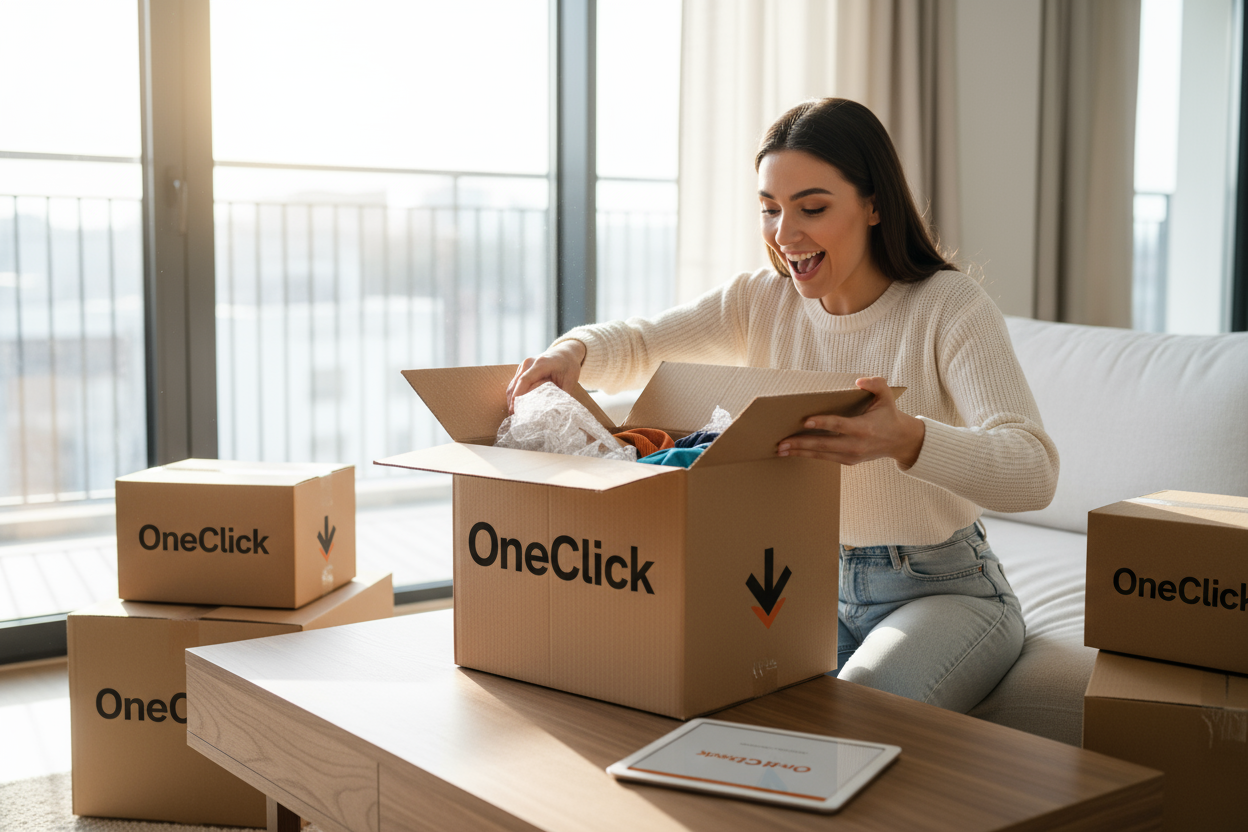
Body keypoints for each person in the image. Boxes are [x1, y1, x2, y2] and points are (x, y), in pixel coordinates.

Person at [505, 97, 1058, 714]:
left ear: (874, 205)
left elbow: (1034, 470)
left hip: (942, 588)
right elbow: (643, 342)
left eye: (812, 208)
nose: (784, 235)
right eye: (770, 209)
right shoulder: (760, 302)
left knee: (857, 712)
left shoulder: (948, 306)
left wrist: (906, 438)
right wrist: (572, 352)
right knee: (694, 690)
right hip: (802, 581)